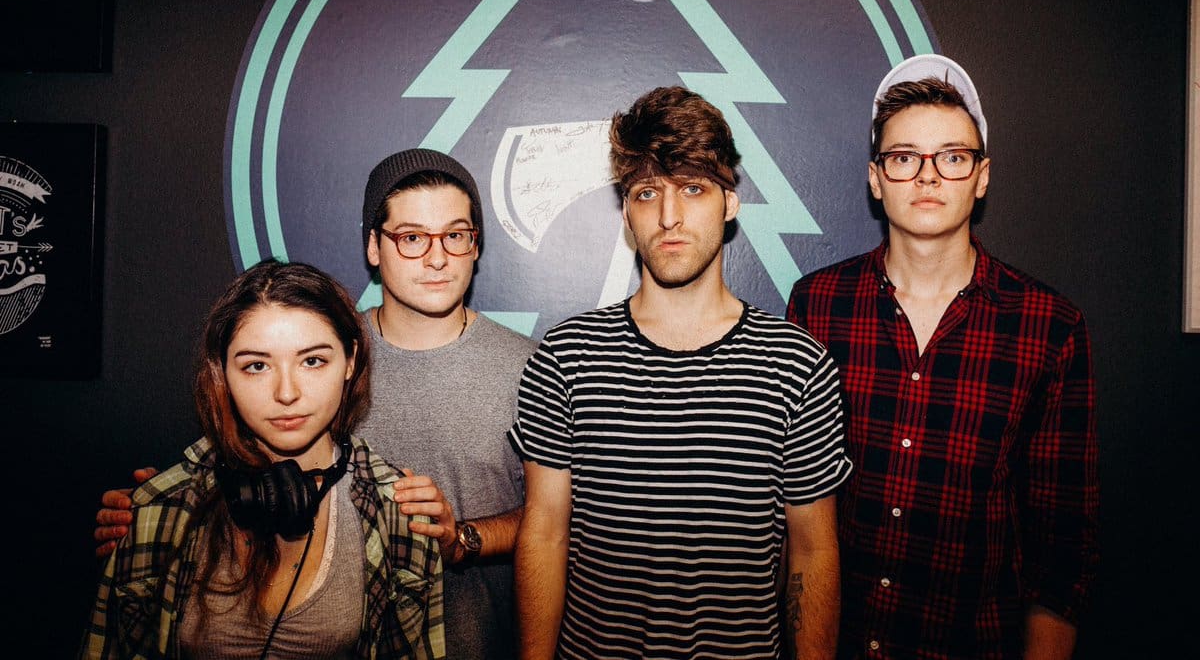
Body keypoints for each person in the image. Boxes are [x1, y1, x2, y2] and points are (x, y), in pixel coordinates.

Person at [95, 150, 536, 660]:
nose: (437, 258)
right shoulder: (314, 351)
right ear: (374, 245)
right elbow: (234, 460)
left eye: (455, 236)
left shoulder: (531, 366)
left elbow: (562, 519)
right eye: (412, 237)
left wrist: (464, 538)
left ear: (475, 244)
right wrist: (159, 514)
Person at [508, 85, 853, 660]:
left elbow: (813, 550)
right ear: (627, 213)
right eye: (647, 193)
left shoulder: (798, 365)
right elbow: (544, 532)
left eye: (693, 188)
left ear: (730, 202)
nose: (669, 216)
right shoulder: (566, 357)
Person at [786, 54, 1100, 660]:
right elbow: (791, 517)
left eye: (952, 157)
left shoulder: (1050, 327)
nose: (928, 177)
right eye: (905, 158)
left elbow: (1062, 552)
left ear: (981, 176)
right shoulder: (817, 305)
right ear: (877, 178)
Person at [80, 259, 444, 659]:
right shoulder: (158, 512)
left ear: (350, 360)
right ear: (222, 372)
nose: (286, 392)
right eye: (256, 365)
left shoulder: (399, 516)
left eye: (312, 361)